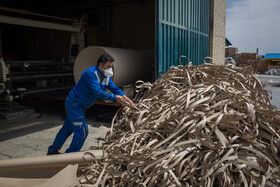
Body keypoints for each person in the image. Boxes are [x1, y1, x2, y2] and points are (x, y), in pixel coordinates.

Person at [47, 53, 135, 155]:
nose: (111, 69)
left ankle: (52, 151)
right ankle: (70, 156)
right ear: (101, 65)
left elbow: (114, 88)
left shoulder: (106, 77)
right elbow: (97, 92)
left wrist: (125, 97)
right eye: (109, 66)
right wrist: (115, 98)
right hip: (74, 104)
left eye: (111, 66)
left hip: (81, 106)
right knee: (82, 131)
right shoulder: (90, 73)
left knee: (67, 129)